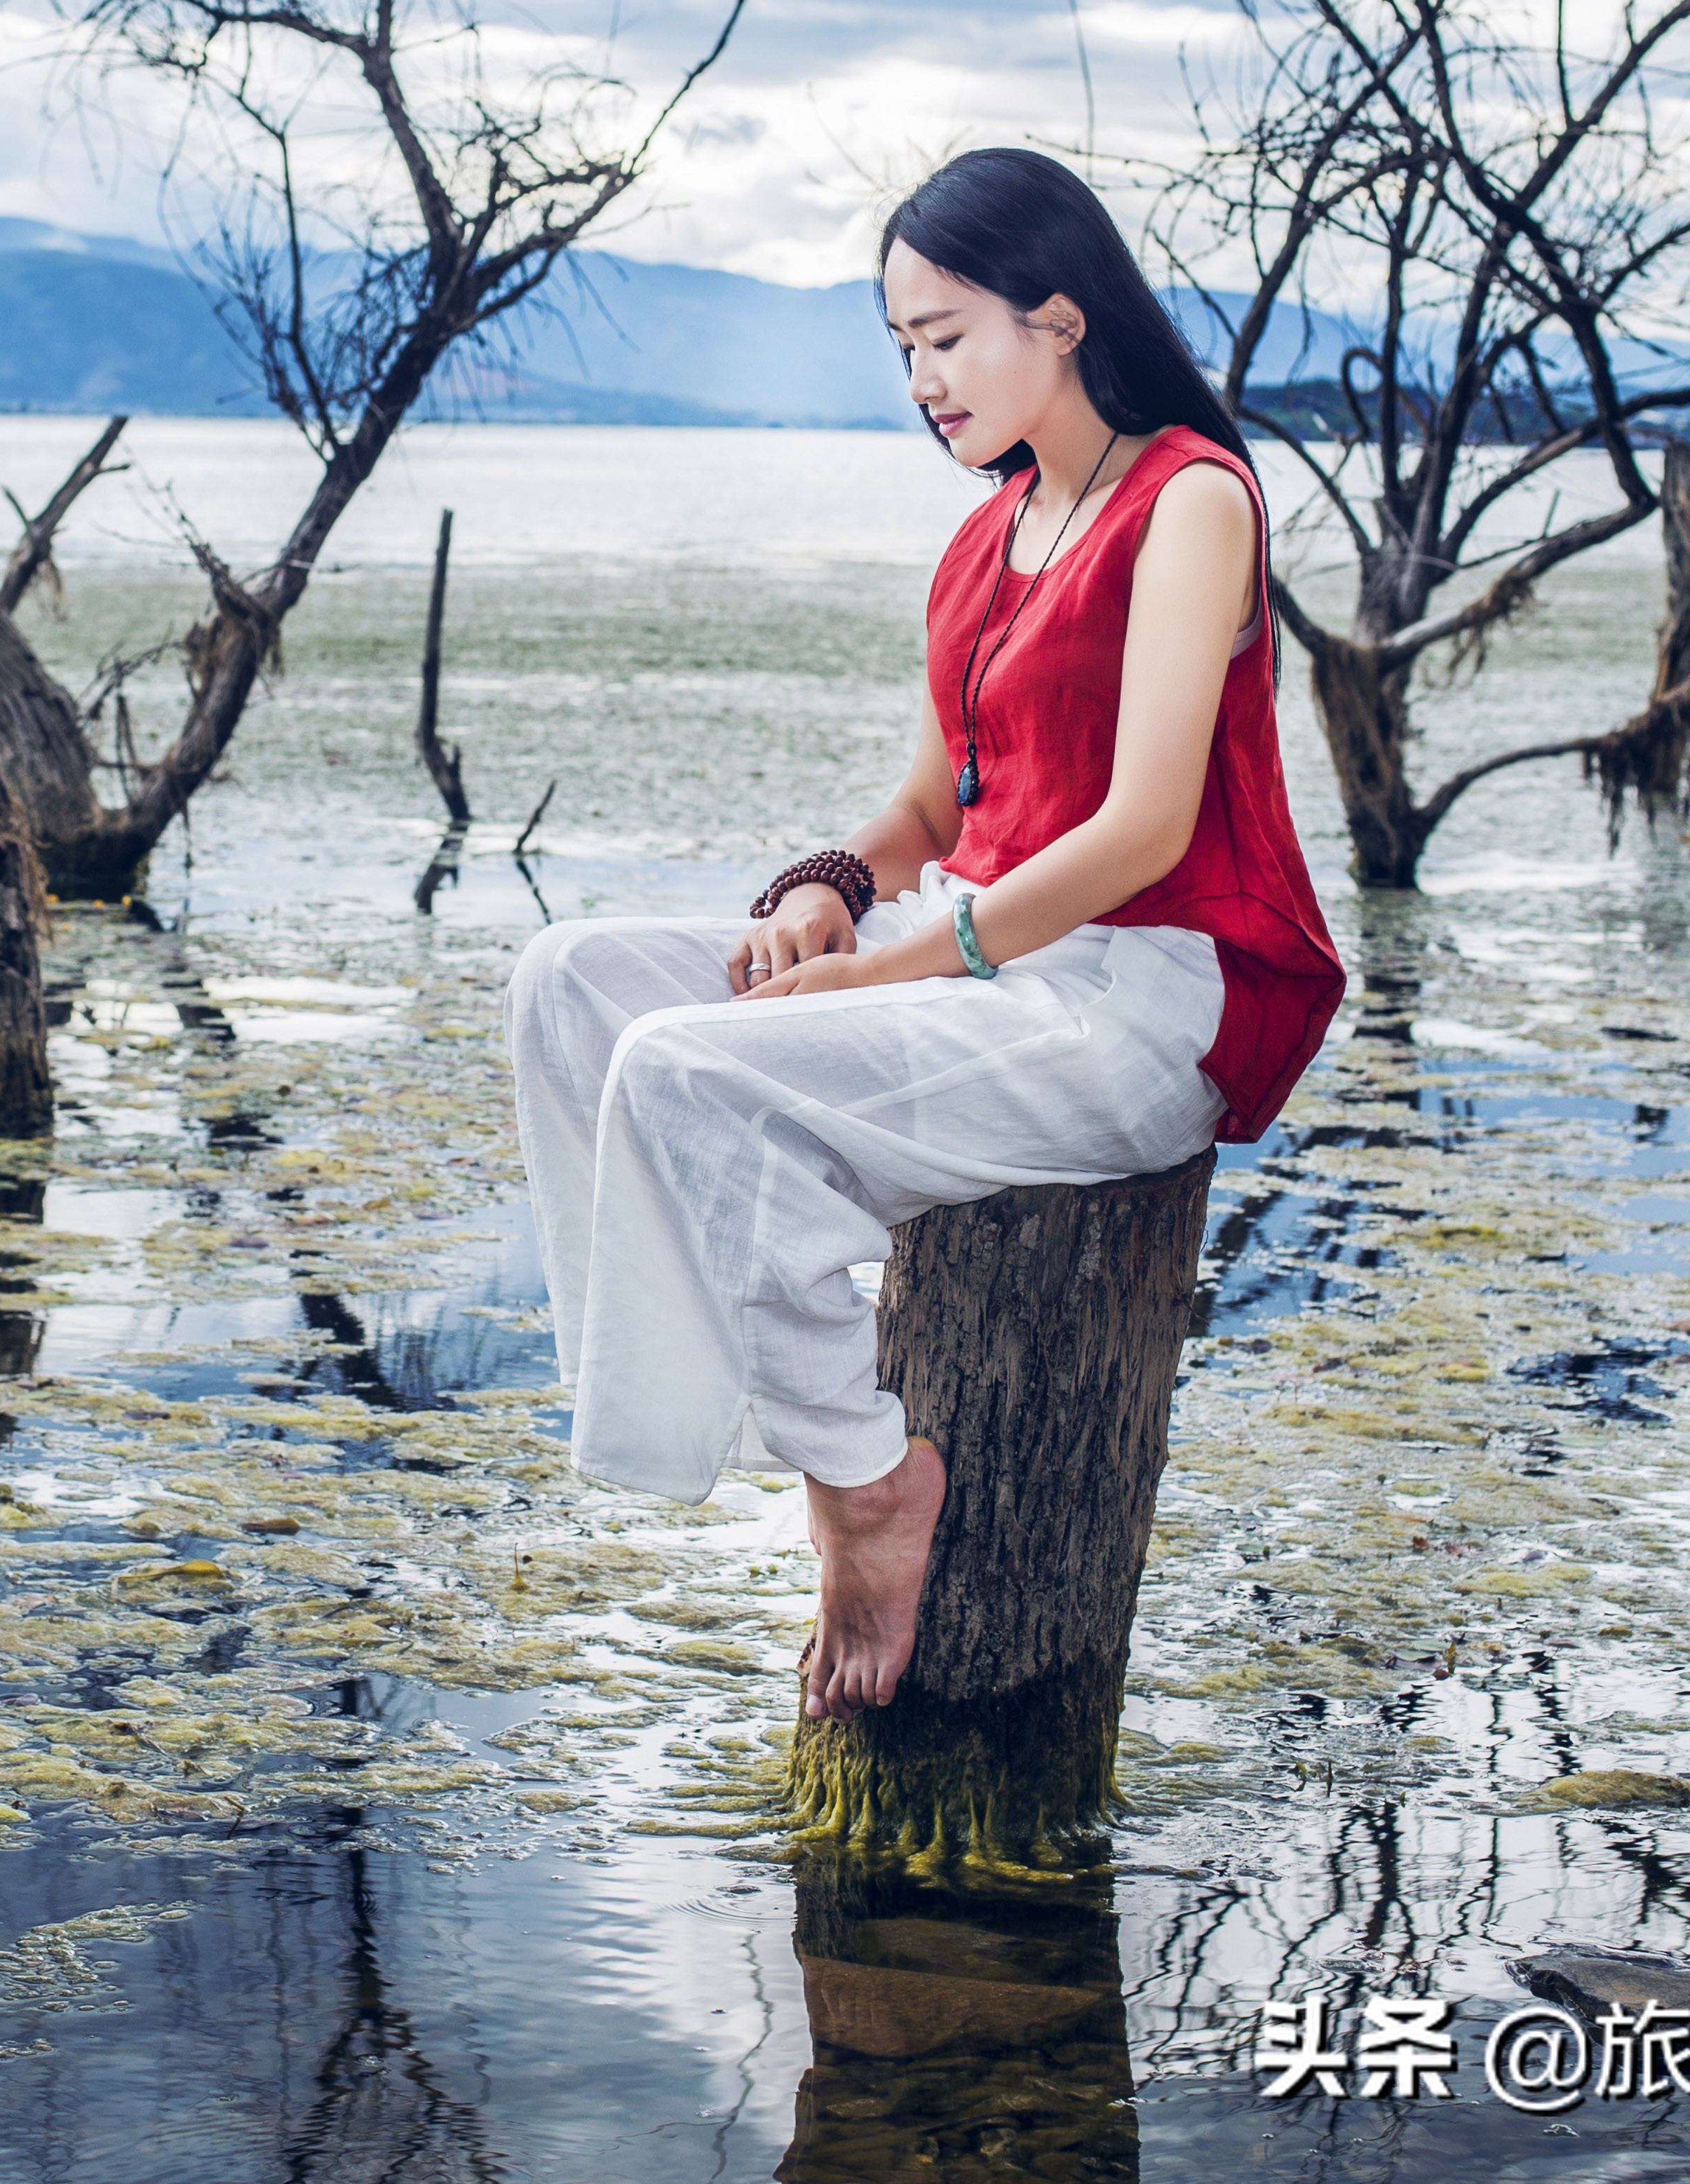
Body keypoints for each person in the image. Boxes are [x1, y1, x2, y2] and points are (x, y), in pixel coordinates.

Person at [505, 146, 1346, 1721]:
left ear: (1060, 317)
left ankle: (865, 1480)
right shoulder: (984, 540)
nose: (920, 378)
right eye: (900, 347)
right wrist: (826, 884)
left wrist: (882, 958)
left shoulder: (1192, 501)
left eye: (945, 336)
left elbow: (1143, 830)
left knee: (690, 1073)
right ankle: (743, 1415)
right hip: (975, 942)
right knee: (572, 987)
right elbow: (927, 809)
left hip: (1143, 993)